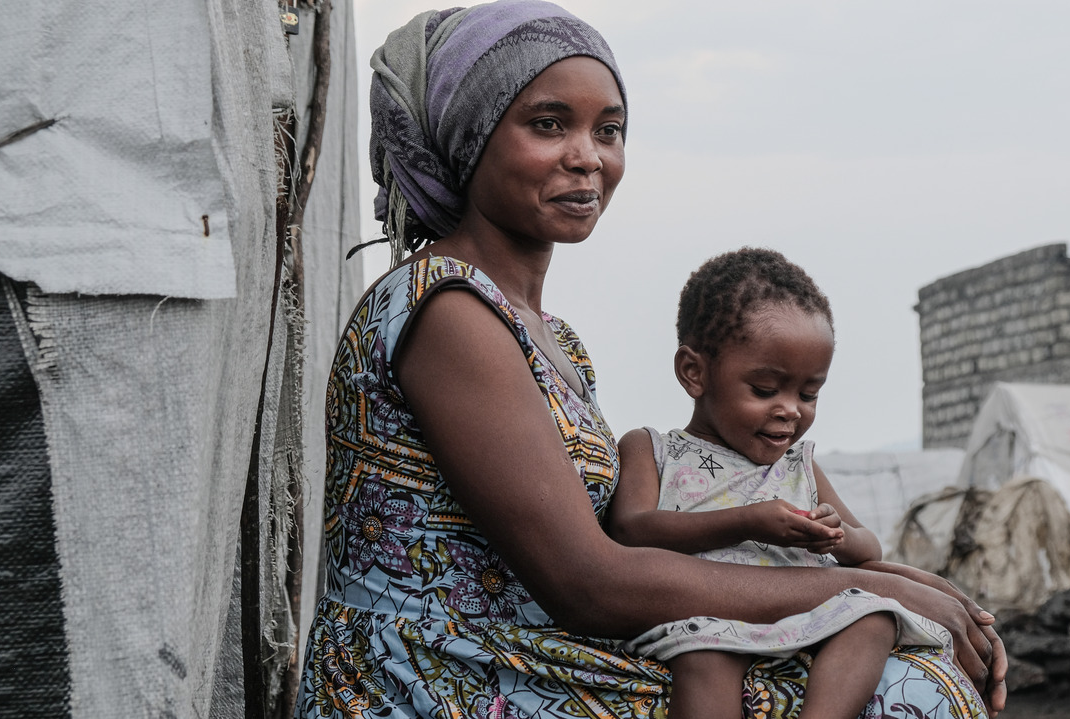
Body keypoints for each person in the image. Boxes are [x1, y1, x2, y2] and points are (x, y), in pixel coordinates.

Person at [294, 1, 1008, 717]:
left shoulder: (553, 338)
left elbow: (620, 544)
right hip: (434, 673)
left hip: (522, 654)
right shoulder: (446, 308)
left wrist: (907, 581)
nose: (589, 156)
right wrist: (872, 590)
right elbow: (589, 580)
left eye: (610, 130)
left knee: (903, 655)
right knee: (912, 693)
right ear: (469, 135)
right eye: (549, 124)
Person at [607, 247, 962, 719]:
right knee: (707, 657)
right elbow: (629, 531)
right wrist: (747, 521)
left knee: (875, 619)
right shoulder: (652, 450)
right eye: (765, 390)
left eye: (809, 393)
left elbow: (867, 549)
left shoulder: (799, 465)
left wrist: (834, 534)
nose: (791, 409)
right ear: (694, 372)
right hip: (705, 616)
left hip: (806, 615)